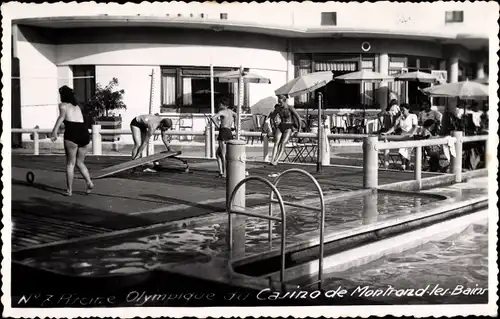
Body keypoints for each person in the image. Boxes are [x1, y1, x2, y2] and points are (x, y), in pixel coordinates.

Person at [50, 85, 94, 196]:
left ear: (63, 95)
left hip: (72, 134)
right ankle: (89, 181)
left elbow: (61, 118)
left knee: (70, 164)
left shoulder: (63, 105)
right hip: (84, 133)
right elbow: (75, 120)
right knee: (80, 162)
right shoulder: (77, 107)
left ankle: (69, 190)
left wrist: (54, 131)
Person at [382, 103, 418, 170]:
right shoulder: (400, 117)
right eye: (400, 110)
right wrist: (386, 133)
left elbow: (415, 126)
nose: (401, 111)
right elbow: (394, 127)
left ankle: (404, 166)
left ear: (408, 109)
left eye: (403, 110)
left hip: (411, 137)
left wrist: (412, 134)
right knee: (402, 151)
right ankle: (405, 167)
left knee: (405, 152)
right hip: (403, 137)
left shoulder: (413, 116)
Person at [269, 95, 302, 166]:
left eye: (280, 102)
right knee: (276, 143)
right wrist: (273, 127)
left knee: (282, 143)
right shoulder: (278, 108)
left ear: (284, 101)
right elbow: (272, 117)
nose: (279, 104)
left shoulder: (290, 108)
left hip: (289, 126)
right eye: (278, 102)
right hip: (281, 125)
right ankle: (272, 159)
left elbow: (298, 118)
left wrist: (299, 130)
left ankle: (276, 161)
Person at [211, 97, 236, 177]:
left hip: (223, 132)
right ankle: (221, 171)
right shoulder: (231, 112)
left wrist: (218, 126)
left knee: (223, 154)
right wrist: (235, 126)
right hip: (229, 132)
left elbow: (213, 118)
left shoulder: (222, 112)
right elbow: (237, 116)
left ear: (223, 104)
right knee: (218, 154)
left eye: (220, 104)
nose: (218, 105)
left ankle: (225, 173)